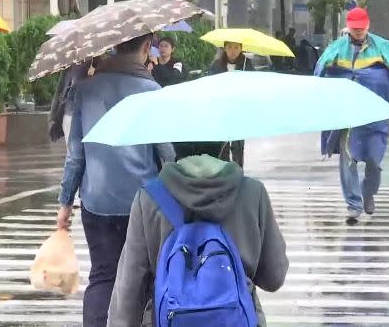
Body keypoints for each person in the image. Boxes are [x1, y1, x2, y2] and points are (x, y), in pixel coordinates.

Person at [56, 33, 176, 327]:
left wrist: (65, 202)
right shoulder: (151, 90)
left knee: (103, 275)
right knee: (144, 275)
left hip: (96, 201)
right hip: (143, 202)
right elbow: (167, 153)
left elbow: (75, 155)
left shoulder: (86, 88)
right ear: (147, 47)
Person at [108, 154, 288, 326]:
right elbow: (274, 278)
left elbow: (128, 293)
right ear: (224, 143)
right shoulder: (253, 193)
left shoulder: (149, 198)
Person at [314, 7, 389, 225]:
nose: (358, 32)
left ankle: (369, 192)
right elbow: (320, 73)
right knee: (348, 161)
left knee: (374, 160)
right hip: (347, 115)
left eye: (361, 28)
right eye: (354, 29)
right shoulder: (336, 49)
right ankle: (353, 205)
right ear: (348, 27)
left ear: (368, 25)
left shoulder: (383, 47)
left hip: (374, 115)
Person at [208, 42, 254, 167]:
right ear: (224, 49)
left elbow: (253, 86)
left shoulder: (246, 64)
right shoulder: (216, 65)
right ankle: (224, 173)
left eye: (236, 47)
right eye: (229, 47)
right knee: (223, 145)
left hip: (239, 109)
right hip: (221, 109)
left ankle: (238, 171)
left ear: (241, 49)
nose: (233, 51)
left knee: (238, 145)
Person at [49, 59, 95, 146]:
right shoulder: (71, 62)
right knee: (74, 151)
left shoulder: (97, 59)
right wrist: (54, 114)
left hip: (87, 111)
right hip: (72, 111)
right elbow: (62, 87)